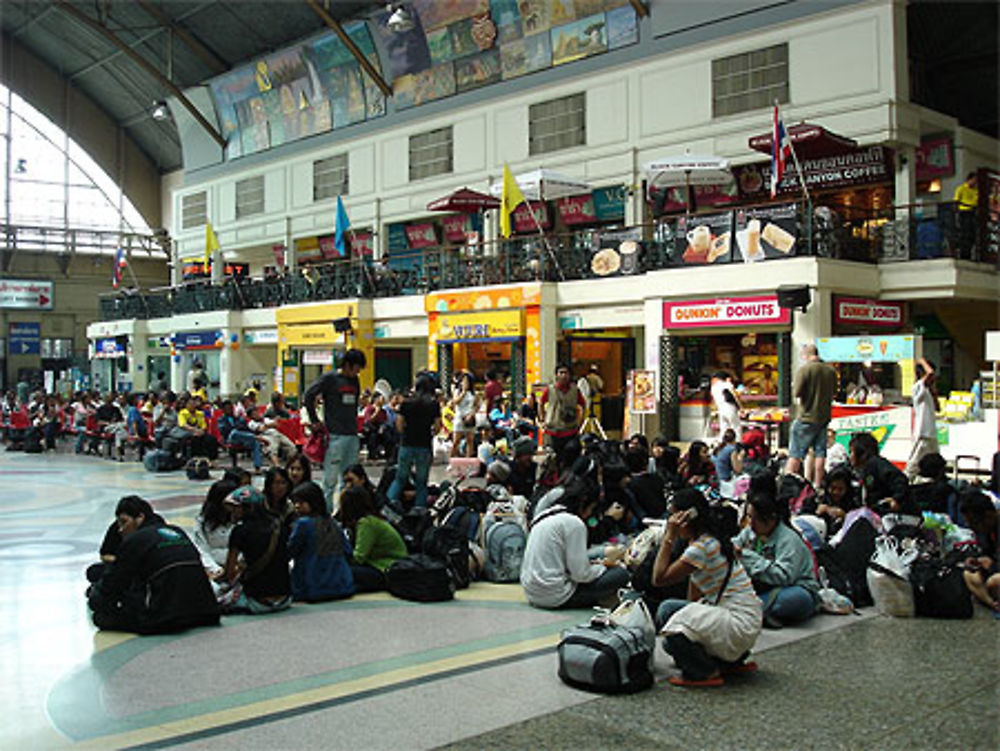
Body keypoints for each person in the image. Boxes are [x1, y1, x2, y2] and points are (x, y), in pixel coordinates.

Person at [650, 488, 762, 688]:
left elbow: (658, 578)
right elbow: (694, 595)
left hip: (737, 624)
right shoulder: (712, 538)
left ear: (687, 517)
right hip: (746, 620)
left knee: (672, 636)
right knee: (669, 611)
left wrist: (669, 536)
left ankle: (705, 672)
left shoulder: (700, 548)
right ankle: (730, 660)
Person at [87, 496, 220, 634]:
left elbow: (113, 582)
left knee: (101, 617)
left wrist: (96, 599)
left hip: (163, 617)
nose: (120, 530)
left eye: (123, 522)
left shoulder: (135, 540)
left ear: (139, 518)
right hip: (205, 611)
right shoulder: (177, 531)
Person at [520, 475, 630, 609]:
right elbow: (581, 575)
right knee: (621, 574)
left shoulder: (546, 514)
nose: (590, 514)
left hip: (532, 593)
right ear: (584, 503)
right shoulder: (574, 523)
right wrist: (602, 568)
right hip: (556, 596)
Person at [734, 493, 820, 628]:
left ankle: (749, 611)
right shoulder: (750, 532)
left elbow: (784, 577)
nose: (751, 523)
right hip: (759, 588)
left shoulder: (789, 540)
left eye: (756, 518)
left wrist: (747, 557)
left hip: (790, 588)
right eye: (749, 517)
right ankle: (758, 612)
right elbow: (734, 545)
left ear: (771, 519)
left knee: (798, 599)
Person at [303, 348, 366, 511]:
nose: (357, 372)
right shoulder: (330, 379)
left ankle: (345, 512)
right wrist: (314, 420)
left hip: (352, 435)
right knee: (330, 480)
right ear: (347, 365)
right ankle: (326, 513)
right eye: (356, 368)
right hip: (334, 436)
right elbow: (308, 395)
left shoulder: (355, 381)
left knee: (349, 480)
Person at [220, 486, 292, 614]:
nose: (233, 512)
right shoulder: (278, 524)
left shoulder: (239, 531)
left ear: (249, 508)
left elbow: (229, 574)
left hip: (257, 602)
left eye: (236, 508)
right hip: (285, 599)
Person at [288, 481, 355, 602]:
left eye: (301, 502)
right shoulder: (332, 523)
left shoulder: (303, 524)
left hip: (312, 586)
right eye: (295, 502)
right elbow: (347, 550)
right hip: (342, 584)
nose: (297, 506)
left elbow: (290, 551)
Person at [785, 343, 837, 489]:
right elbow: (834, 392)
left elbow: (797, 393)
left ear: (806, 355)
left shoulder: (805, 370)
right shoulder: (830, 370)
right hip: (823, 417)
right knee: (820, 452)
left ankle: (787, 483)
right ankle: (817, 484)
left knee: (795, 453)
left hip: (806, 417)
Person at [337, 485, 407, 593]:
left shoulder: (366, 524)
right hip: (384, 565)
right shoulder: (371, 520)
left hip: (386, 568)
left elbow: (359, 557)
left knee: (341, 569)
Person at [389, 371, 441, 508]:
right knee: (421, 482)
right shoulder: (433, 404)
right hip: (424, 445)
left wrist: (406, 432)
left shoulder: (406, 403)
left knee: (400, 479)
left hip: (406, 444)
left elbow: (399, 425)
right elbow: (437, 427)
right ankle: (419, 509)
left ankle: (390, 505)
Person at [849, 432, 913, 516]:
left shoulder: (876, 464)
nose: (850, 456)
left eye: (851, 452)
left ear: (861, 452)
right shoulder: (864, 469)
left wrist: (896, 499)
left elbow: (899, 479)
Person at [957, 489, 999, 613]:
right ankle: (991, 603)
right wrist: (976, 560)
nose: (972, 527)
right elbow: (986, 552)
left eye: (974, 522)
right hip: (993, 571)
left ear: (988, 516)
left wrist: (992, 565)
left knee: (994, 582)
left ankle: (986, 598)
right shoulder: (986, 531)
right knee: (969, 574)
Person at [192, 479, 239, 581]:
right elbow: (201, 549)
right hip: (213, 569)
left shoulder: (240, 520)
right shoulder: (203, 521)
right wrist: (215, 569)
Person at [539, 364, 585, 458]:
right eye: (561, 373)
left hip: (570, 430)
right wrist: (543, 419)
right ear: (556, 375)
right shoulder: (550, 390)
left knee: (571, 457)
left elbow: (583, 405)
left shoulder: (575, 390)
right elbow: (540, 403)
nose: (564, 375)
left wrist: (580, 422)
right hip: (553, 431)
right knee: (554, 459)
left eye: (566, 373)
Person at [906, 357, 939, 479]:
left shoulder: (927, 391)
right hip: (922, 432)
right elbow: (930, 373)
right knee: (913, 463)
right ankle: (906, 482)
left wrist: (933, 391)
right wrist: (922, 361)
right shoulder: (918, 387)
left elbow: (937, 407)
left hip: (931, 433)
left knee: (935, 462)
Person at [217, 399, 265, 472]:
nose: (229, 410)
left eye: (230, 408)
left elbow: (244, 426)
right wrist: (236, 427)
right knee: (234, 432)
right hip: (230, 439)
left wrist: (237, 424)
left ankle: (257, 467)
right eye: (226, 409)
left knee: (256, 442)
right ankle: (254, 436)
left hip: (243, 439)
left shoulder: (237, 417)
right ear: (223, 410)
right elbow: (224, 431)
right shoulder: (221, 420)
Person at [449, 370, 478, 458]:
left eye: (467, 381)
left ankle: (468, 459)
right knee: (456, 440)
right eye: (463, 381)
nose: (465, 383)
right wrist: (463, 392)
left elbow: (477, 404)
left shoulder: (473, 393)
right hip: (459, 417)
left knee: (470, 440)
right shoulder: (457, 391)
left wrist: (472, 413)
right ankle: (452, 458)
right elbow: (455, 402)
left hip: (469, 417)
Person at [952, 171, 978, 258]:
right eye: (974, 180)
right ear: (969, 179)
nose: (975, 182)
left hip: (972, 212)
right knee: (965, 233)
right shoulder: (961, 189)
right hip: (964, 212)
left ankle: (969, 253)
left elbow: (976, 201)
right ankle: (963, 254)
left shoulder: (975, 191)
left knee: (972, 234)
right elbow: (956, 201)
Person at [710, 371, 741, 443]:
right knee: (736, 427)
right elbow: (735, 396)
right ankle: (738, 443)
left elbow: (713, 400)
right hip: (729, 407)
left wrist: (713, 409)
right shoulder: (726, 384)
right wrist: (741, 407)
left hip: (720, 409)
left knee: (724, 428)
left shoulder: (713, 387)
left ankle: (723, 443)